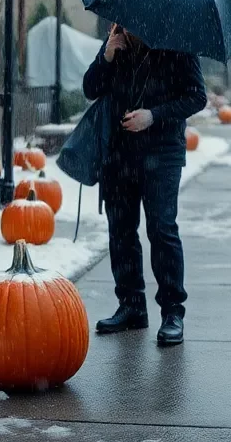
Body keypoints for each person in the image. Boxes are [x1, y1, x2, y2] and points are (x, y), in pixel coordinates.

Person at [83, 23, 207, 346]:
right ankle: (131, 306)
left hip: (161, 152)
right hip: (119, 153)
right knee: (121, 229)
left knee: (161, 228)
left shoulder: (177, 41)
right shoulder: (116, 38)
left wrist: (153, 115)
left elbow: (197, 96)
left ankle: (172, 312)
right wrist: (107, 55)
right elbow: (91, 88)